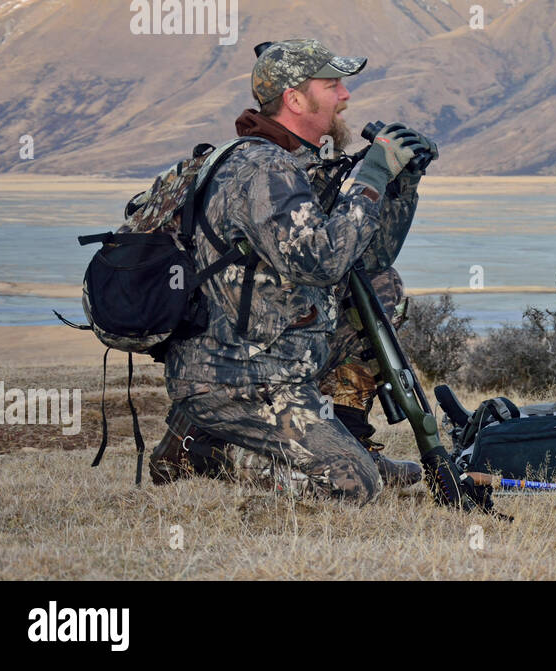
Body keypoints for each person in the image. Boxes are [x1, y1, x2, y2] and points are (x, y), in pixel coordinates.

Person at [149, 38, 433, 504]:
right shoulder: (262, 170)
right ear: (295, 99)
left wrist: (404, 182)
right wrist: (373, 177)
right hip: (238, 375)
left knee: (382, 290)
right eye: (334, 85)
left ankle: (348, 439)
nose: (345, 97)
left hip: (281, 357)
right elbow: (322, 262)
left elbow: (370, 260)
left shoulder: (296, 165)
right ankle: (200, 450)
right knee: (352, 486)